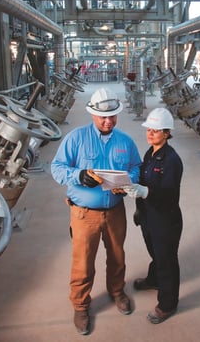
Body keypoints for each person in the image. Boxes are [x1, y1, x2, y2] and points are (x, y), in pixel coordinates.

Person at [51, 87, 142, 336]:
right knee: (83, 261)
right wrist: (78, 175)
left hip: (115, 210)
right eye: (103, 117)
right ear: (92, 114)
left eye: (112, 116)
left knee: (117, 255)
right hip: (84, 214)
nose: (108, 121)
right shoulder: (76, 138)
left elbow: (136, 167)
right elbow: (57, 168)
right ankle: (81, 305)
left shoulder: (125, 141)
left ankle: (117, 291)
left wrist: (127, 182)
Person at [123, 107, 184, 324]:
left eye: (156, 131)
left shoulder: (172, 160)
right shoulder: (150, 153)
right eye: (149, 129)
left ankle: (168, 304)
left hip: (165, 219)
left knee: (167, 259)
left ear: (166, 133)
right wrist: (134, 196)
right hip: (149, 216)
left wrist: (145, 191)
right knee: (155, 252)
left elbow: (169, 196)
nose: (150, 134)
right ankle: (154, 278)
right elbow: (141, 178)